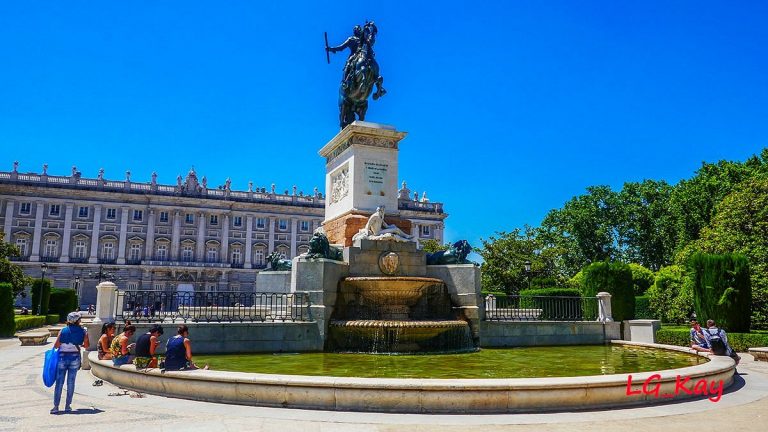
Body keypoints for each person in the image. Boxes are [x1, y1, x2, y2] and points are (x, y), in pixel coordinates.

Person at [51, 312, 89, 414]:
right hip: (75, 357)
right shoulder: (83, 331)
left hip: (63, 357)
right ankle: (68, 406)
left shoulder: (63, 330)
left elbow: (56, 345)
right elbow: (86, 345)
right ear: (77, 321)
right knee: (71, 382)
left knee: (59, 382)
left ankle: (56, 406)